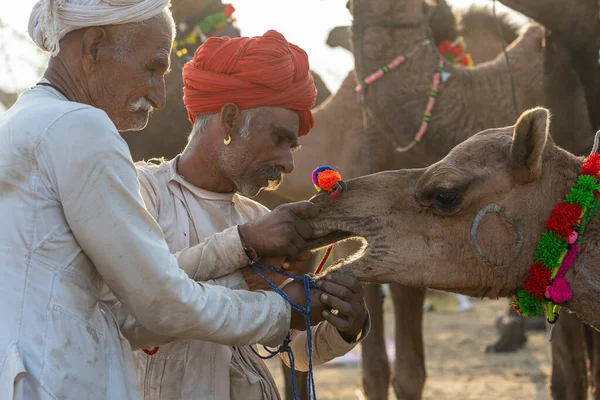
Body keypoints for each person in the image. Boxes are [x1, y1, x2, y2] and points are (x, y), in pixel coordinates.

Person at [0, 2, 354, 398]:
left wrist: (335, 318)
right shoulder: (84, 132)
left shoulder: (22, 122)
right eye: (153, 68)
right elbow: (155, 300)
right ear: (95, 46)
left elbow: (125, 307)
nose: (158, 95)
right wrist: (275, 300)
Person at [102, 30, 370, 399]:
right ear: (229, 120)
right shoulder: (139, 192)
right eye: (279, 139)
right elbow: (135, 306)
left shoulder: (257, 216)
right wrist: (244, 245)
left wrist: (344, 325)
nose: (288, 163)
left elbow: (293, 350)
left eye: (291, 146)